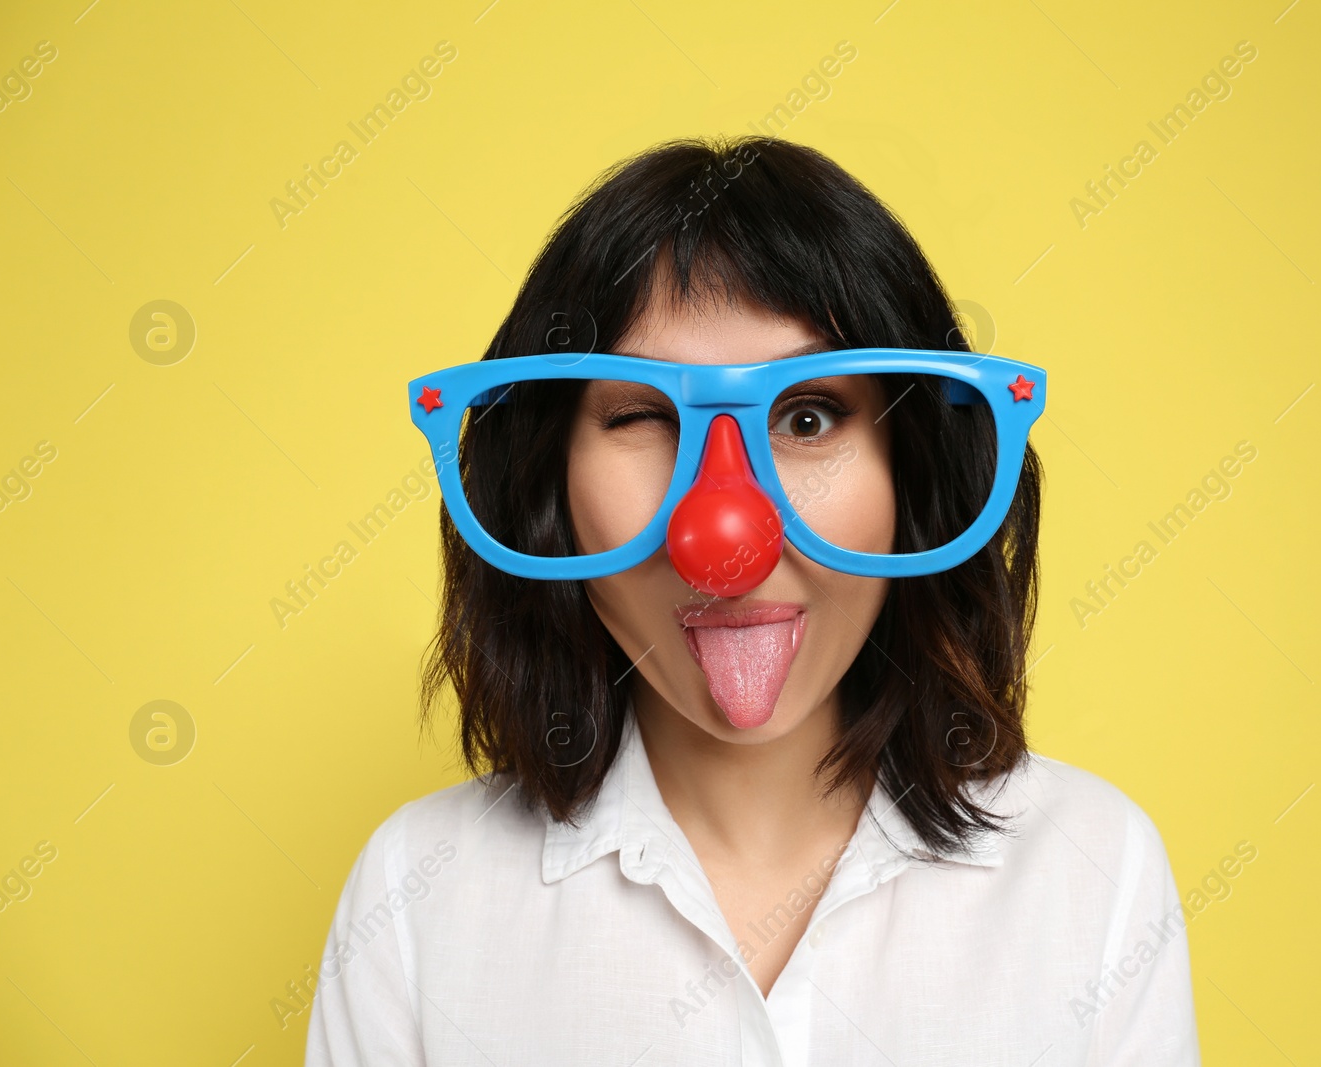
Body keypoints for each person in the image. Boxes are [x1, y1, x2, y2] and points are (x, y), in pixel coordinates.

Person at [305, 135, 1201, 1065]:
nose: (725, 535)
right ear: (547, 485)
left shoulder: (1093, 871)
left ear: (914, 471)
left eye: (808, 418)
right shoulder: (415, 897)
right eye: (643, 417)